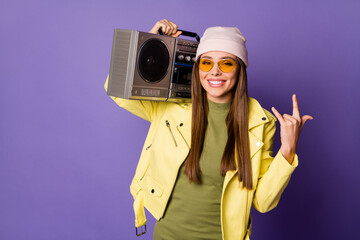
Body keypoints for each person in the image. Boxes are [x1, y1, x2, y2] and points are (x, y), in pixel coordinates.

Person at [104, 19, 313, 240]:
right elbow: (115, 90)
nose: (215, 72)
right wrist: (151, 44)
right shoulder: (171, 108)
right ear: (198, 68)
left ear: (240, 69)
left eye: (226, 64)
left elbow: (263, 201)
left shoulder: (261, 123)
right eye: (206, 63)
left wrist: (288, 150)